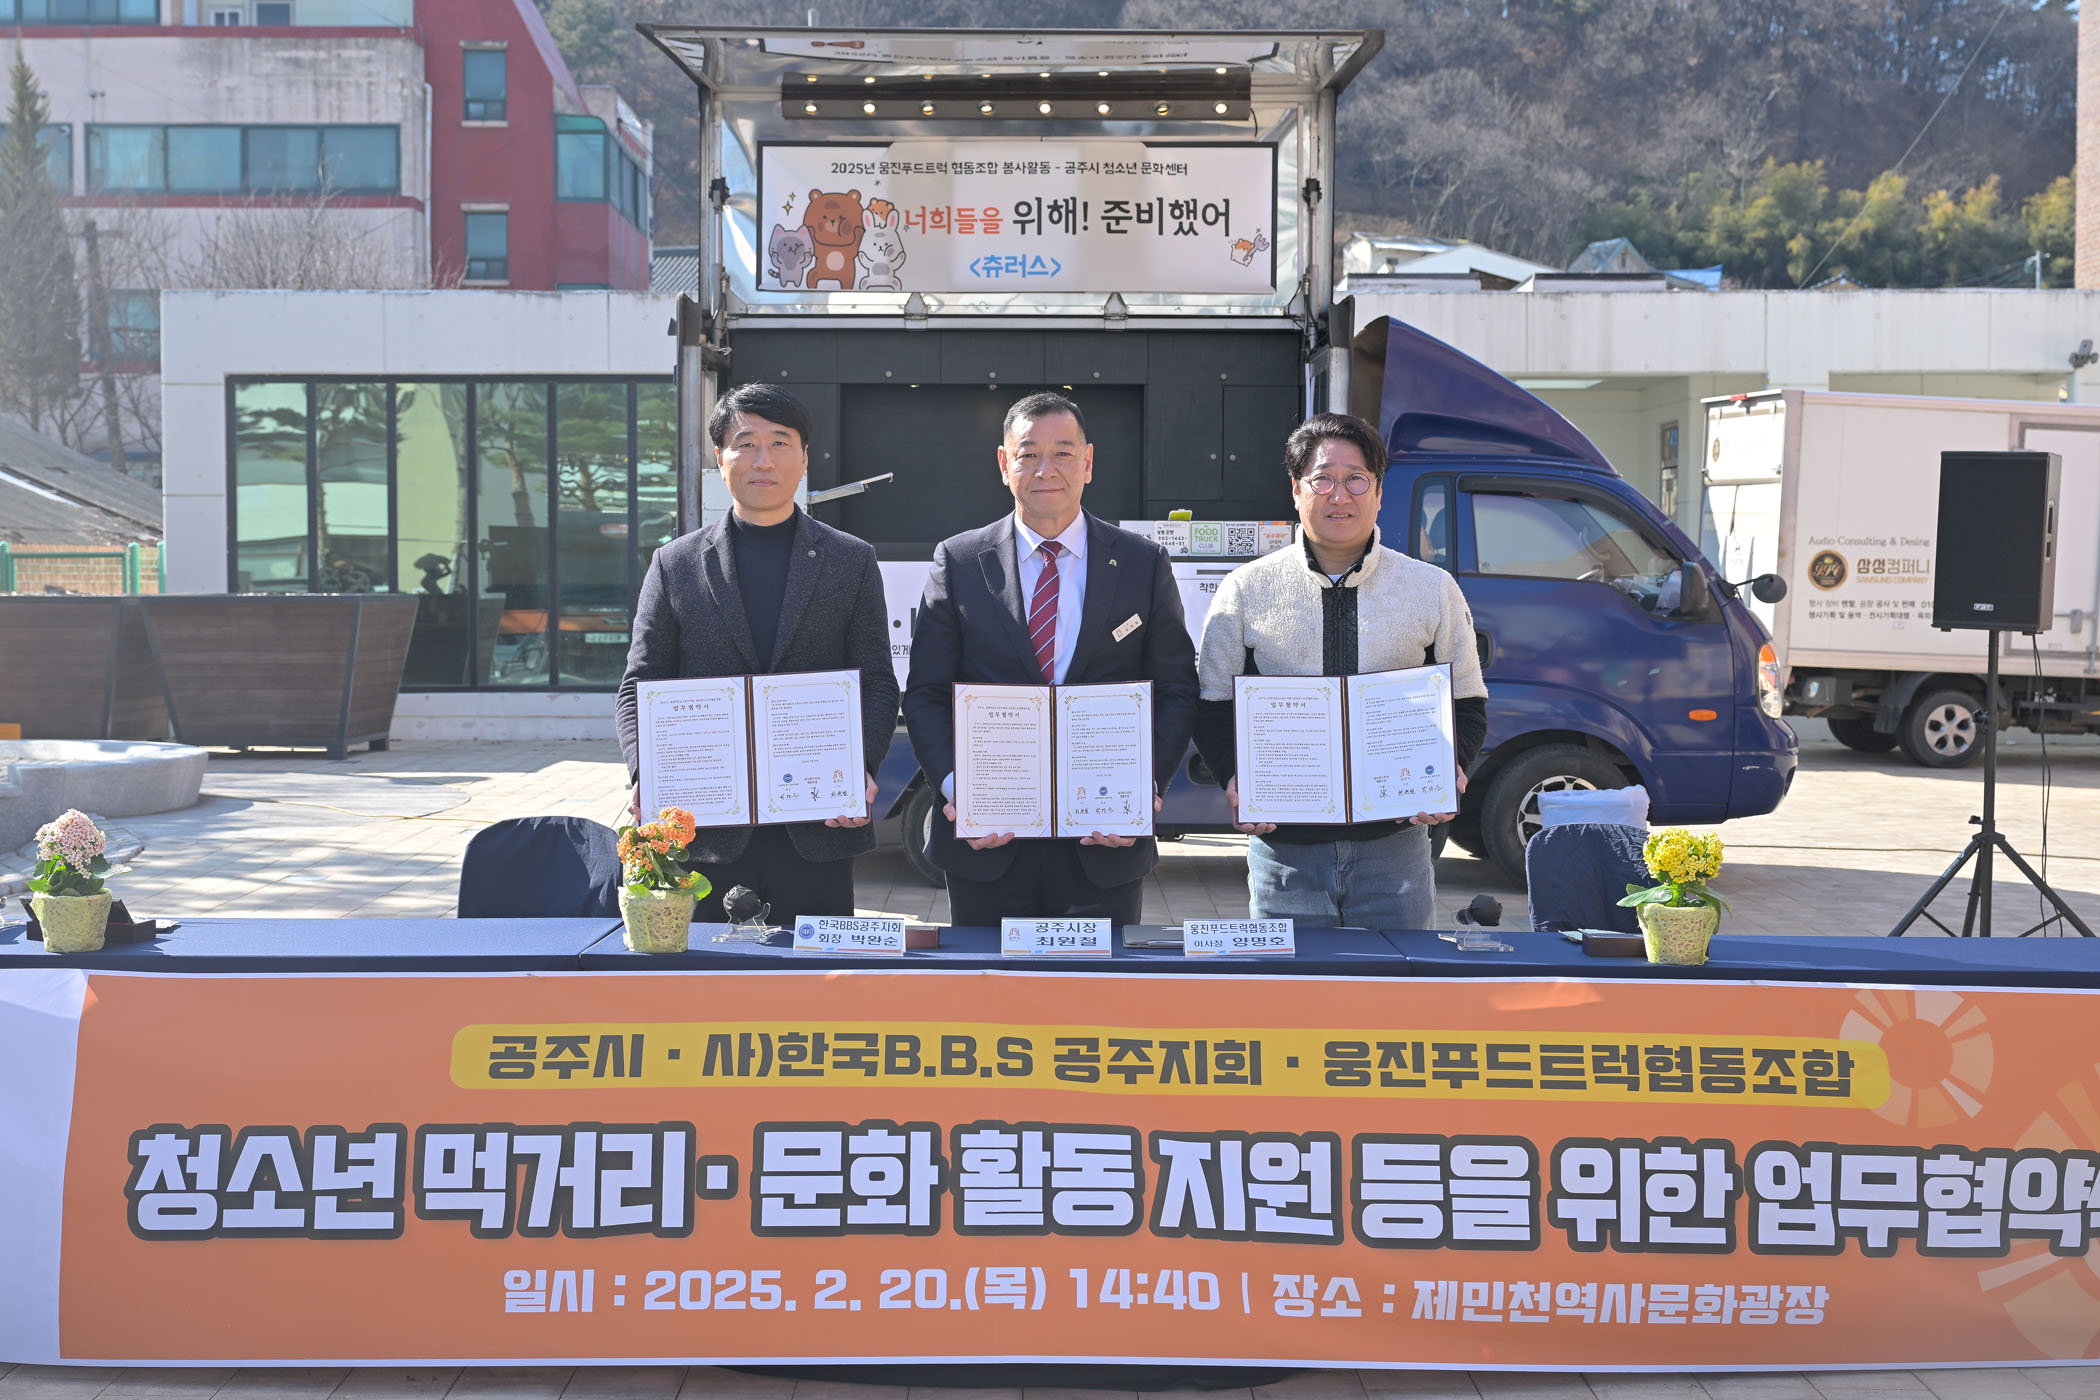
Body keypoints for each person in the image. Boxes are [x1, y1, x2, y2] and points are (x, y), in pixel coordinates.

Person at [904, 391, 1198, 927]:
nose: (1046, 469)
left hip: (1103, 840)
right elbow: (926, 692)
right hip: (987, 841)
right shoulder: (960, 561)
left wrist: (1144, 787)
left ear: (1088, 462)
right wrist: (956, 788)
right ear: (1004, 464)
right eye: (1028, 454)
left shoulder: (1142, 562)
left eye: (1063, 453)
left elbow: (1176, 688)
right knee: (987, 981)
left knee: (1099, 982)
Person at [1193, 411, 1488, 929]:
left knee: (1398, 978)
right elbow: (1213, 704)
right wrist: (1235, 777)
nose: (1339, 496)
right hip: (1284, 849)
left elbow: (1466, 699)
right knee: (1292, 981)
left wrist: (1449, 768)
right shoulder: (1246, 589)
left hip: (1397, 846)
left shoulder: (1431, 587)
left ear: (1379, 492)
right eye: (1323, 479)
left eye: (1356, 480)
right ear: (1296, 489)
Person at [617, 383, 898, 922]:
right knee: (711, 972)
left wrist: (859, 765)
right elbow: (640, 685)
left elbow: (878, 682)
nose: (762, 460)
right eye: (745, 444)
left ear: (804, 457)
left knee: (817, 974)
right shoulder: (675, 564)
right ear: (719, 457)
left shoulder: (851, 560)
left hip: (818, 827)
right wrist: (644, 773)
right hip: (705, 831)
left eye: (780, 443)